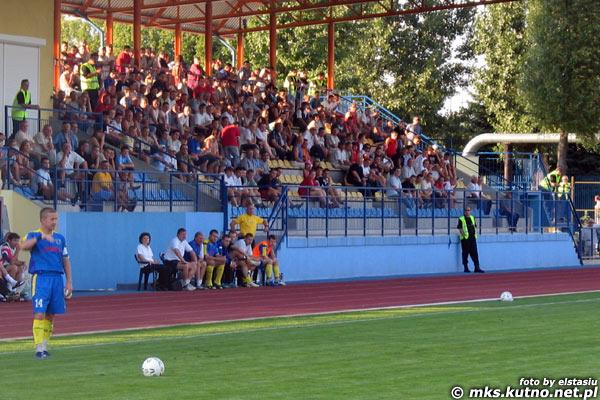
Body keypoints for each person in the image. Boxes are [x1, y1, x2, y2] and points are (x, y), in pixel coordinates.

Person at [19, 207, 73, 359]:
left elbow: (65, 260)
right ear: (43, 220)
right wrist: (40, 237)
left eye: (56, 219)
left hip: (57, 279)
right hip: (41, 278)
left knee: (51, 315)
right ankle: (38, 348)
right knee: (39, 313)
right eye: (52, 219)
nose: (54, 222)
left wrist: (69, 281)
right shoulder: (33, 234)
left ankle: (44, 346)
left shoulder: (60, 238)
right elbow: (23, 246)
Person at [457, 207, 484, 273]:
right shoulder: (461, 219)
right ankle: (466, 268)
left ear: (470, 211)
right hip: (465, 239)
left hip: (472, 238)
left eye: (468, 210)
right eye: (466, 210)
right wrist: (464, 236)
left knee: (475, 253)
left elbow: (474, 226)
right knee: (465, 253)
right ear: (464, 211)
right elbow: (460, 228)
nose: (467, 211)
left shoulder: (472, 217)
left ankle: (477, 267)